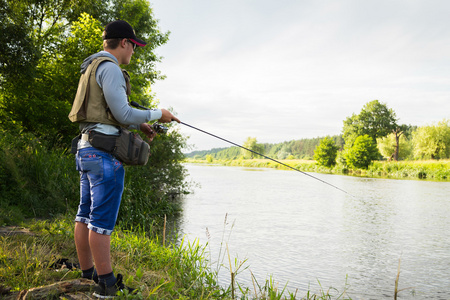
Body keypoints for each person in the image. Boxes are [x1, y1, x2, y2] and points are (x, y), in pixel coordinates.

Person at [68, 20, 180, 298]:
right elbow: (124, 113)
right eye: (134, 46)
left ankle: (87, 276)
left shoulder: (92, 67)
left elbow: (109, 114)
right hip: (103, 155)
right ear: (125, 43)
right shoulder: (111, 69)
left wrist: (138, 125)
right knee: (101, 221)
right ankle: (105, 285)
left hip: (85, 149)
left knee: (84, 215)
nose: (134, 52)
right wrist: (158, 114)